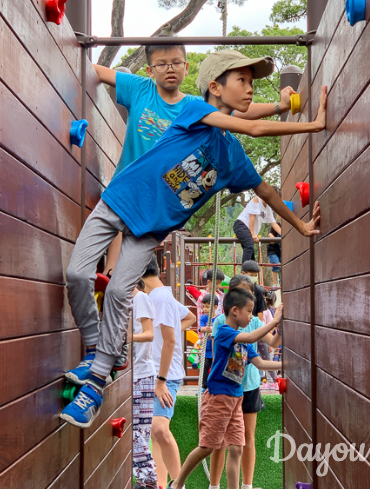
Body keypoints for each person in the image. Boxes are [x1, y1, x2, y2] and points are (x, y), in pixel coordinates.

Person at [60, 49, 326, 431]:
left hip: (151, 228)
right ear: (214, 87)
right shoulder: (191, 111)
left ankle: (97, 382)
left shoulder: (233, 157)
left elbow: (267, 193)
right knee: (77, 274)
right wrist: (313, 125)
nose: (250, 89)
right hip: (120, 200)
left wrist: (299, 227)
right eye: (243, 81)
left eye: (253, 83)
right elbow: (251, 126)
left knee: (120, 291)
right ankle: (97, 350)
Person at [95, 43, 297, 276]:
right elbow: (98, 71)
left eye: (176, 63)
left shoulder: (194, 105)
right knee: (118, 231)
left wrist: (278, 106)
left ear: (186, 68)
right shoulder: (140, 88)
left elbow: (237, 112)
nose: (170, 68)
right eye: (161, 64)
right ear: (150, 70)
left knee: (130, 256)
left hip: (156, 196)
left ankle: (115, 279)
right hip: (129, 185)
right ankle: (110, 272)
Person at [167, 289, 282, 489]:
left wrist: (287, 364)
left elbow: (261, 364)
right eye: (249, 311)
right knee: (207, 447)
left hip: (236, 400)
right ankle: (177, 483)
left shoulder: (245, 342)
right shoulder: (224, 333)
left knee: (237, 448)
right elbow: (250, 337)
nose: (251, 316)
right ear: (235, 311)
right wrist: (274, 321)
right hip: (218, 399)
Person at [207, 276, 282, 489]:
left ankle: (246, 485)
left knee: (245, 439)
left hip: (247, 386)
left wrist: (279, 326)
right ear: (232, 307)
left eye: (249, 302)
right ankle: (214, 484)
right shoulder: (222, 324)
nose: (246, 309)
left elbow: (270, 346)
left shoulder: (255, 322)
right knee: (219, 440)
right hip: (224, 389)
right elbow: (220, 353)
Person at [137, 257, 196, 488]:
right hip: (157, 373)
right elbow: (189, 317)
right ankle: (161, 484)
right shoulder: (160, 295)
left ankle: (178, 483)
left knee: (159, 429)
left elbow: (170, 342)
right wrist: (166, 332)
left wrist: (161, 381)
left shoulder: (160, 298)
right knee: (155, 433)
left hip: (165, 375)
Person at [131, 280, 158, 489]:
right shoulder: (128, 302)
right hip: (136, 374)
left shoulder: (140, 298)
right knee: (138, 432)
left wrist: (126, 337)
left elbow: (149, 334)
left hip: (141, 374)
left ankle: (148, 480)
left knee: (139, 433)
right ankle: (145, 480)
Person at [233, 190, 279, 263]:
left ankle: (251, 272)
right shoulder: (257, 200)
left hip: (248, 230)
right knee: (249, 246)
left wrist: (284, 235)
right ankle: (245, 271)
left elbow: (274, 223)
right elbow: (252, 216)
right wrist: (253, 233)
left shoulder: (268, 209)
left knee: (251, 255)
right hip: (241, 224)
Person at [199, 295, 218, 389]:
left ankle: (214, 385)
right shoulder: (204, 318)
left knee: (215, 368)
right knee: (205, 368)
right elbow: (200, 328)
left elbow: (219, 330)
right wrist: (205, 329)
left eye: (207, 306)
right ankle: (204, 386)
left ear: (215, 307)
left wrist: (213, 330)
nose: (204, 309)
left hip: (215, 350)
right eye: (203, 306)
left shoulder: (218, 319)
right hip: (207, 349)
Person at [267, 221, 282, 288]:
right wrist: (272, 237)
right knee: (275, 264)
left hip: (280, 251)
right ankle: (275, 283)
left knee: (285, 265)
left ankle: (282, 282)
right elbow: (271, 241)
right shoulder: (272, 233)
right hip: (272, 251)